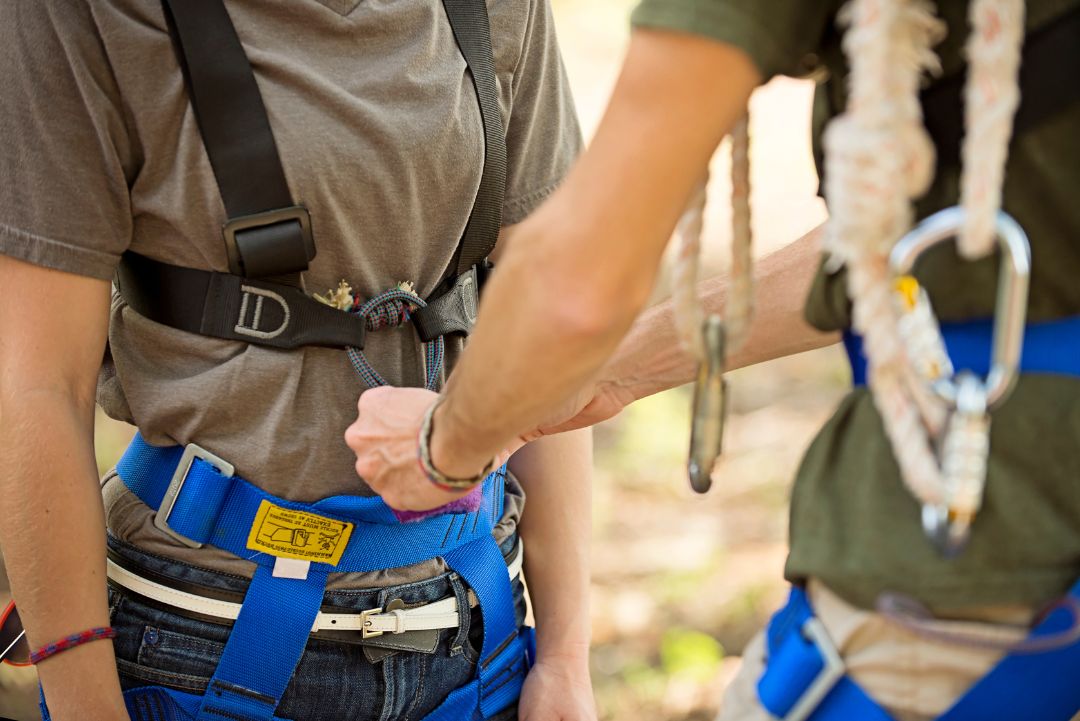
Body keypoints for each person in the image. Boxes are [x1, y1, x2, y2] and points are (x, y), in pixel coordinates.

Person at [346, 1, 1080, 719]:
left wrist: (444, 447)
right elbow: (889, 248)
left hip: (999, 517)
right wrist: (612, 370)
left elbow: (576, 280)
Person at [0, 1, 595, 720]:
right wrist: (82, 700)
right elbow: (35, 386)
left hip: (475, 634)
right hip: (201, 633)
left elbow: (544, 315)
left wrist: (566, 656)